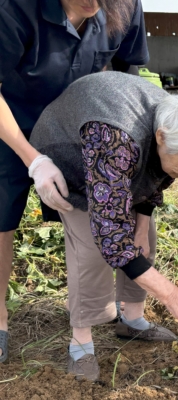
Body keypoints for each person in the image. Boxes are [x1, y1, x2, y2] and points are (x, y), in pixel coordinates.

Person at [29, 71, 178, 380]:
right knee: (91, 248)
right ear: (162, 137)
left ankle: (132, 320)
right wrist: (172, 295)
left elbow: (156, 176)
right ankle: (81, 344)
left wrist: (141, 225)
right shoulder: (114, 136)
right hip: (68, 156)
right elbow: (110, 238)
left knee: (143, 239)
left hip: (120, 162)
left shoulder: (176, 121)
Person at [0, 0, 149, 363]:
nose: (94, 3)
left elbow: (128, 75)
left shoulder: (126, 6)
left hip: (80, 128)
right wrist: (33, 160)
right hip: (13, 125)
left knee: (94, 211)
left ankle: (107, 314)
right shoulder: (15, 9)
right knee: (1, 220)